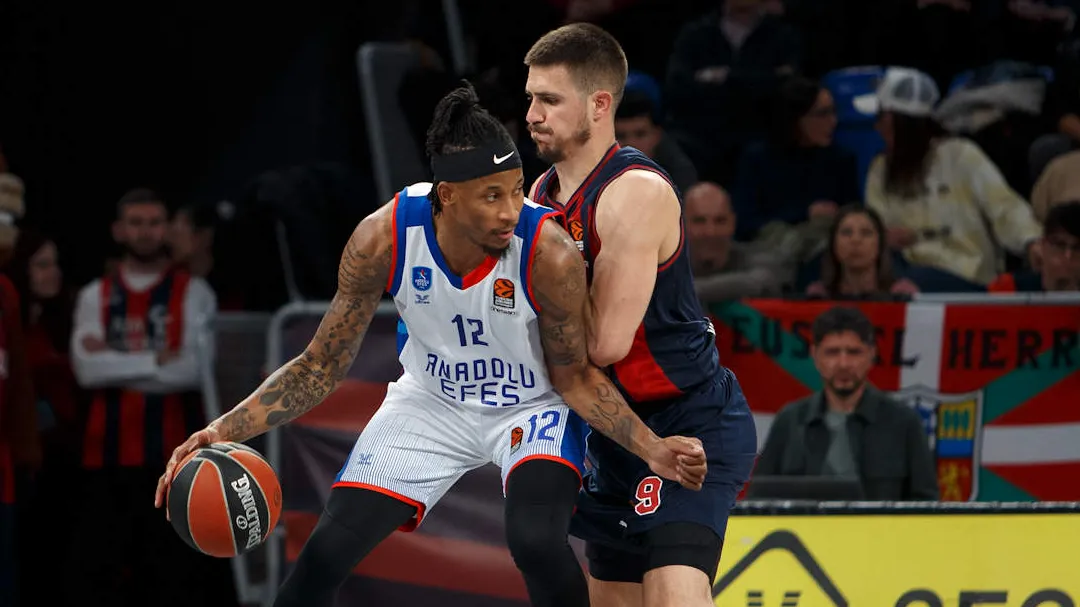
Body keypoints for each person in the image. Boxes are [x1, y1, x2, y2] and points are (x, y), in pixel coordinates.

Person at [154, 83, 708, 607]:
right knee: (323, 555)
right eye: (491, 196)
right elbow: (320, 366)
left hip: (532, 404)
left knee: (536, 541)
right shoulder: (383, 236)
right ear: (447, 196)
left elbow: (577, 377)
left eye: (517, 190)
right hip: (432, 401)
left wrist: (652, 448)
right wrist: (222, 429)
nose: (510, 210)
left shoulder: (548, 252)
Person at [524, 23, 759, 607]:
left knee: (672, 594)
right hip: (612, 432)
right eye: (530, 98)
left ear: (599, 104)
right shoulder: (540, 196)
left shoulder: (635, 191)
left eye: (549, 100)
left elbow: (605, 343)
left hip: (687, 422)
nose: (532, 115)